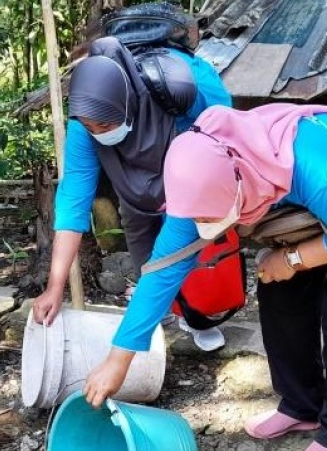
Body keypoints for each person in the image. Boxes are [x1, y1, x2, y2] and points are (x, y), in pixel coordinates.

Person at [80, 103, 327, 451]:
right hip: (307, 207)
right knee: (278, 293)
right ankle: (302, 405)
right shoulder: (197, 178)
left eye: (214, 220)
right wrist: (119, 359)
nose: (204, 226)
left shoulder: (317, 168)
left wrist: (294, 258)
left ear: (240, 185)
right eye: (200, 221)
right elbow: (162, 271)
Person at [31, 35, 232, 351]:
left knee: (183, 249)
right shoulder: (84, 124)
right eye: (91, 128)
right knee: (139, 237)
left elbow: (227, 132)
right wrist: (55, 286)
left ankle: (196, 316)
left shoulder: (178, 91)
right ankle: (158, 313)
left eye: (104, 124)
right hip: (134, 188)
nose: (99, 132)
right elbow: (73, 202)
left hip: (188, 173)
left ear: (128, 104)